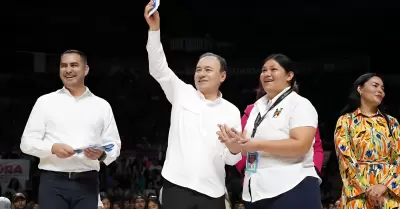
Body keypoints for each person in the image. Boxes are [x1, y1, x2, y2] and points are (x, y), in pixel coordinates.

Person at [144, 2, 242, 209]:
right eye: (198, 69)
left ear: (222, 76)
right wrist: (154, 31)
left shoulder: (231, 111)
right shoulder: (182, 92)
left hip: (213, 191)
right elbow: (158, 69)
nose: (201, 74)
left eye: (208, 70)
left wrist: (234, 149)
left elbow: (231, 160)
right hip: (177, 186)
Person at [20, 49, 121, 209]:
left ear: (85, 69)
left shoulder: (102, 106)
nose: (68, 70)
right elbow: (26, 143)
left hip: (88, 183)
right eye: (63, 65)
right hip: (53, 182)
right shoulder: (45, 102)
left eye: (74, 65)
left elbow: (114, 145)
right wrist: (52, 148)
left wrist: (102, 154)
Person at [218, 54, 321, 209]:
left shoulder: (299, 104)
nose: (267, 74)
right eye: (264, 70)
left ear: (289, 75)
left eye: (274, 69)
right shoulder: (256, 109)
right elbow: (246, 148)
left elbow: (302, 145)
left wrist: (258, 145)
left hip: (292, 188)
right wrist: (234, 145)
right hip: (255, 193)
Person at [334, 73, 400, 208]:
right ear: (360, 89)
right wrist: (367, 189)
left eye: (382, 88)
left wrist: (384, 185)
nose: (380, 90)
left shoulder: (392, 123)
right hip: (357, 193)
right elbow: (345, 158)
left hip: (387, 192)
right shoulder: (346, 121)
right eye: (375, 86)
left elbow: (398, 157)